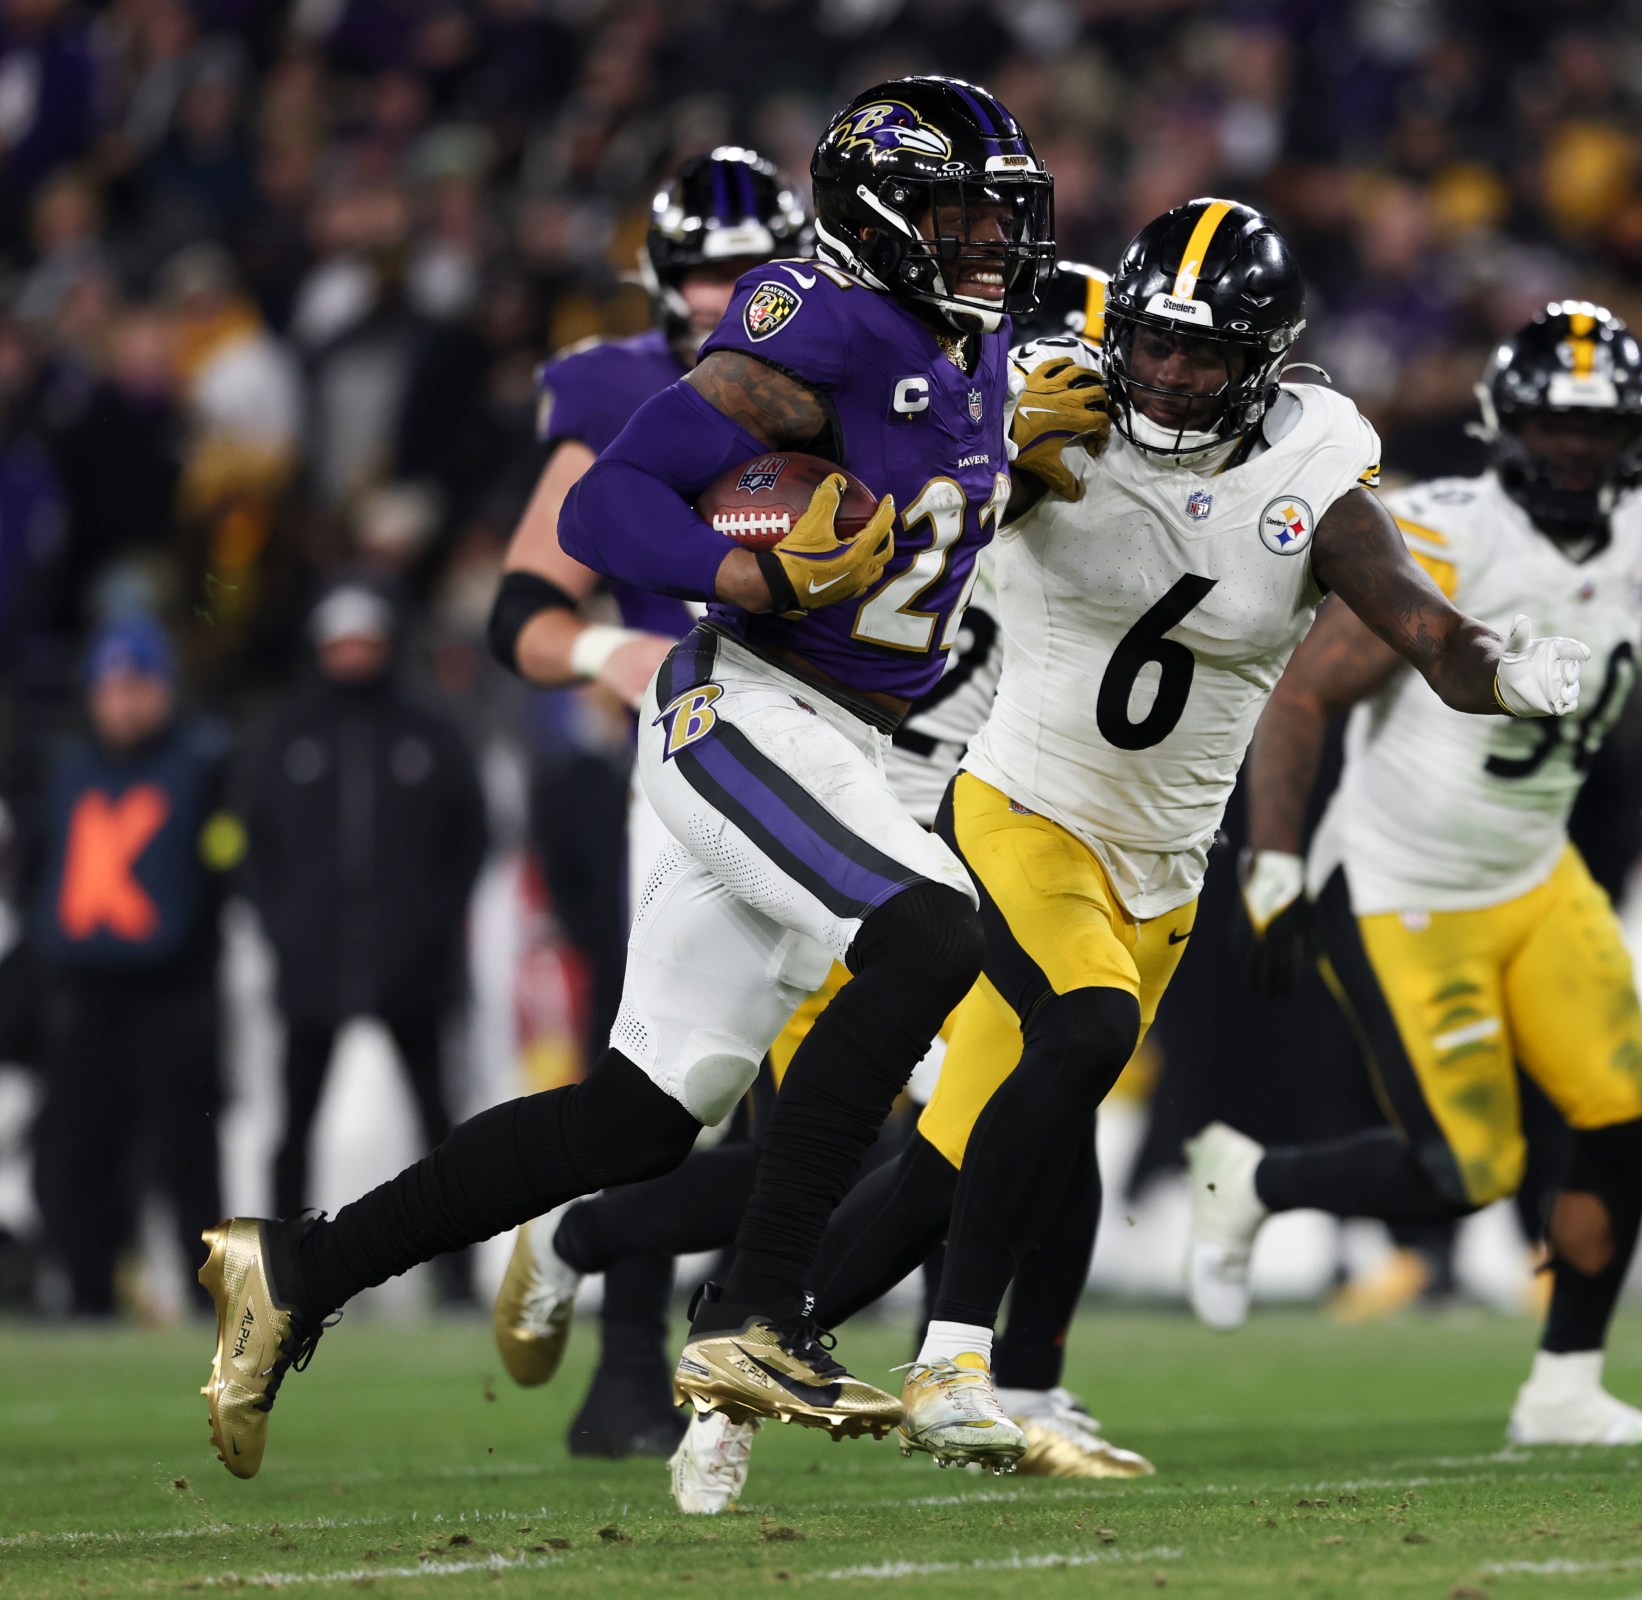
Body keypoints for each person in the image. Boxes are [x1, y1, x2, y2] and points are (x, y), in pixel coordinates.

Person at [196, 77, 1055, 1480]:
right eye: (958, 215)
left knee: (640, 1118)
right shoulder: (814, 323)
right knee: (930, 931)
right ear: (885, 220)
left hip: (860, 746)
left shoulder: (990, 347)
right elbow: (605, 504)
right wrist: (744, 567)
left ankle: (300, 1268)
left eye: (998, 218)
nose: (985, 244)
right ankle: (760, 1312)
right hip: (751, 707)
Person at [803, 199, 1590, 1475]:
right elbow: (893, 533)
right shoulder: (1052, 409)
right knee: (1089, 1027)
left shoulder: (1312, 468)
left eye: (1205, 352)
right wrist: (982, 461)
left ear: (1263, 361)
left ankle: (741, 1345)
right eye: (1157, 343)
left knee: (947, 1167)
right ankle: (955, 1363)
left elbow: (1432, 635)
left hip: (1164, 864)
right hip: (1021, 808)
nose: (1169, 373)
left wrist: (1511, 674)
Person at [494, 263, 1146, 1509]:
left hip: (935, 835)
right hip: (821, 824)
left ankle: (1001, 1373)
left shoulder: (1031, 504)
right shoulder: (918, 465)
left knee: (1033, 1106)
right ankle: (626, 1276)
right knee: (826, 1153)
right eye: (1061, 387)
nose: (1081, 418)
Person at [1182, 304, 1642, 1446]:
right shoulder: (1448, 534)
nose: (1572, 448)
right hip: (1402, 882)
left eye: (1597, 427)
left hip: (1535, 870)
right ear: (1505, 424)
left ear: (1638, 436)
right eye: (1552, 423)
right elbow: (1304, 692)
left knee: (1626, 1101)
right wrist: (1270, 856)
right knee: (1469, 1165)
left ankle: (1565, 1385)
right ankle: (1249, 1180)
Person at [484, 146, 805, 1461]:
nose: (728, 294)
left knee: (837, 1081)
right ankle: (627, 1365)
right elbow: (523, 607)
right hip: (687, 759)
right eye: (705, 274)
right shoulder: (620, 386)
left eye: (750, 270)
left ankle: (743, 1341)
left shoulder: (850, 372)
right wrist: (607, 652)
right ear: (662, 282)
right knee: (676, 1077)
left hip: (852, 747)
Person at [241, 584, 488, 1304]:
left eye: (365, 642)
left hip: (414, 967)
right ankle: (278, 1272)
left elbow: (468, 839)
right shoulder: (285, 734)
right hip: (312, 967)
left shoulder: (428, 732)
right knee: (293, 1125)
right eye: (340, 643)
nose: (353, 656)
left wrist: (431, 925)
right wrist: (286, 929)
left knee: (439, 1125)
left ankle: (456, 1274)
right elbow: (253, 849)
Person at [31, 614, 237, 1316]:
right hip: (86, 993)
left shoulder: (204, 764)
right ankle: (87, 1294)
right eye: (111, 686)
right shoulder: (66, 768)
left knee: (186, 1154)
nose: (124, 700)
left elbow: (224, 870)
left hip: (172, 992)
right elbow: (42, 873)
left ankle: (206, 1296)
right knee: (77, 1153)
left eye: (138, 683)